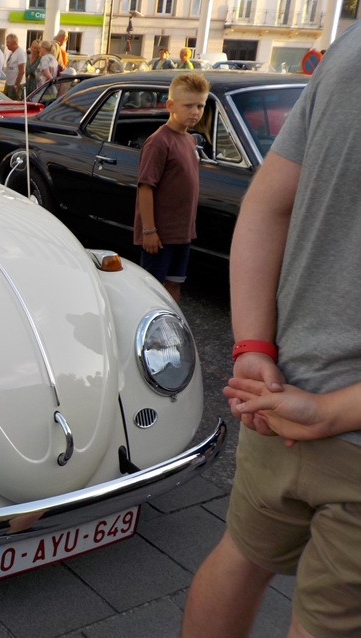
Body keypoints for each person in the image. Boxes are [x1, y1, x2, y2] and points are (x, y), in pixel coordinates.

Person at [182, 22, 361, 638]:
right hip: (322, 417)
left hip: (278, 391)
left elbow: (267, 203)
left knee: (240, 556)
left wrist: (253, 349)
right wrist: (331, 411)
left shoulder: (350, 48)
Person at [132, 73, 209, 303]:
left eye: (200, 106)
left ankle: (171, 323)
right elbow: (146, 187)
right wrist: (149, 231)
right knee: (153, 289)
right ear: (170, 106)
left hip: (182, 233)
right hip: (160, 235)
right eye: (188, 106)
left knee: (175, 283)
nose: (195, 112)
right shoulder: (159, 142)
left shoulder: (190, 140)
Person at [3, 34, 26, 100]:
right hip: (9, 83)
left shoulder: (20, 52)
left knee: (13, 103)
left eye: (8, 42)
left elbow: (21, 71)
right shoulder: (11, 53)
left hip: (15, 84)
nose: (6, 44)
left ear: (14, 43)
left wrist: (16, 85)